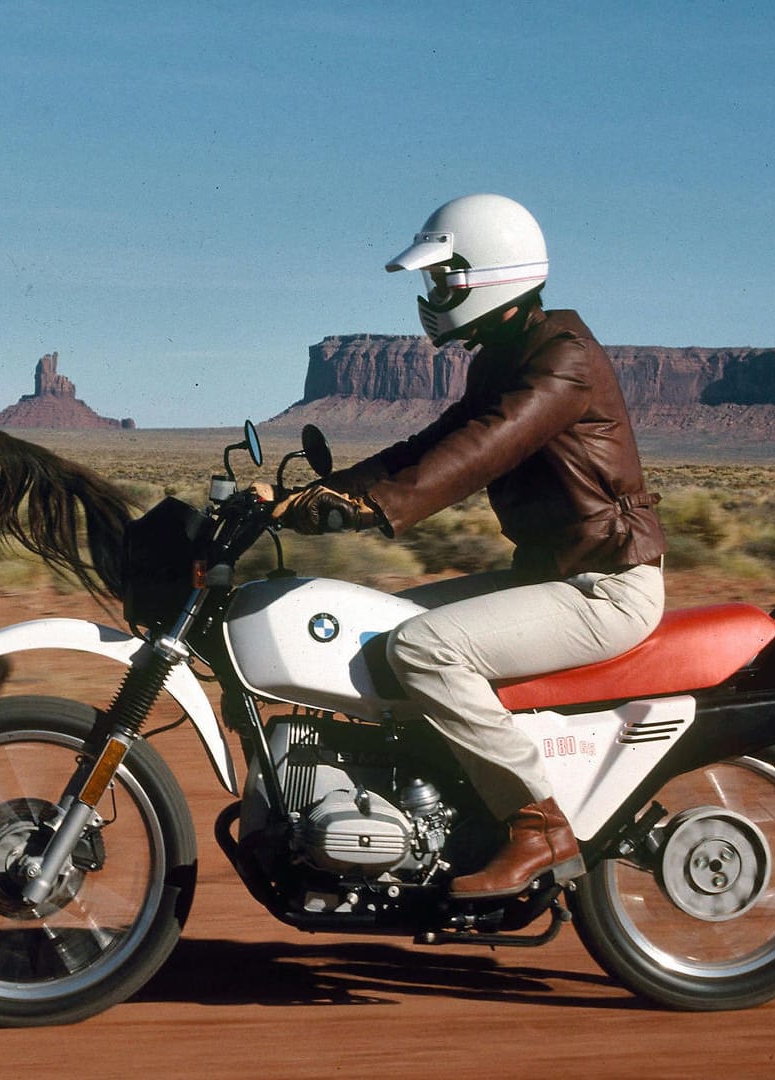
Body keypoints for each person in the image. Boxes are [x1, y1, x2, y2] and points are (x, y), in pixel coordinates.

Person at [279, 193, 668, 899]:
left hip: (605, 588)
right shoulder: (506, 358)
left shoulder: (563, 361)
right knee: (382, 631)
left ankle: (537, 826)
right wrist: (315, 497)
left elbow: (481, 451)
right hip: (551, 577)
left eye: (442, 279)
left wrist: (371, 508)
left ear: (487, 275)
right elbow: (428, 444)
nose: (433, 295)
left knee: (427, 648)